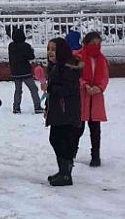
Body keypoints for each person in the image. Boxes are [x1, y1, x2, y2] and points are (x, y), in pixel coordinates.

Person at [42, 37, 83, 186]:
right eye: (48, 49)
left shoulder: (67, 68)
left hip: (66, 111)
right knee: (56, 140)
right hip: (59, 110)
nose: (50, 52)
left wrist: (51, 88)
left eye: (53, 49)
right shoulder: (55, 67)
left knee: (61, 140)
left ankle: (66, 174)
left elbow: (68, 90)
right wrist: (47, 107)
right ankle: (63, 171)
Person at [76, 31, 109, 167]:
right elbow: (74, 74)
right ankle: (71, 152)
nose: (96, 46)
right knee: (78, 127)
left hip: (95, 97)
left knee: (95, 128)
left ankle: (96, 155)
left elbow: (104, 78)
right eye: (93, 43)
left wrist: (99, 88)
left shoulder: (102, 59)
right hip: (81, 96)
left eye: (98, 43)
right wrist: (84, 84)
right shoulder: (77, 57)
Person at [7, 28, 44, 114]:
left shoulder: (11, 46)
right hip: (25, 71)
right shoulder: (25, 46)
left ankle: (16, 108)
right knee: (33, 89)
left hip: (15, 72)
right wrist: (31, 51)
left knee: (18, 90)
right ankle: (37, 107)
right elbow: (31, 57)